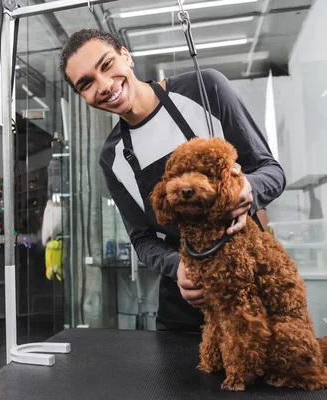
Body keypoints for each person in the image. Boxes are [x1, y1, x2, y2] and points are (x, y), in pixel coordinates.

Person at [59, 29, 285, 332]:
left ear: (126, 56)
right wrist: (180, 267)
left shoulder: (205, 89)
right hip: (187, 300)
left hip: (249, 276)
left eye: (107, 64)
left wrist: (248, 189)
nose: (104, 85)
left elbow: (271, 171)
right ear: (81, 94)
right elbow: (142, 239)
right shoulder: (112, 157)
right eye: (86, 83)